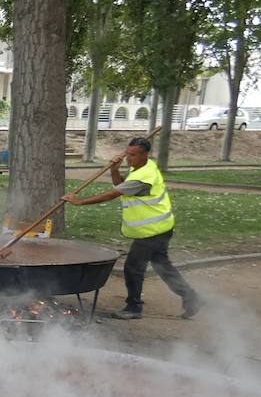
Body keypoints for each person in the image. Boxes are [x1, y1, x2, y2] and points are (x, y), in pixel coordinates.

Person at [60, 136, 202, 321]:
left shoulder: (144, 177)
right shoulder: (140, 169)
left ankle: (134, 307)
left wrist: (79, 202)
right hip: (158, 228)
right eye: (127, 153)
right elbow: (121, 185)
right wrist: (114, 169)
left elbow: (112, 194)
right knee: (163, 267)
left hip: (152, 231)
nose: (128, 158)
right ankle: (191, 298)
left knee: (133, 268)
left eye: (133, 155)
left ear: (145, 155)